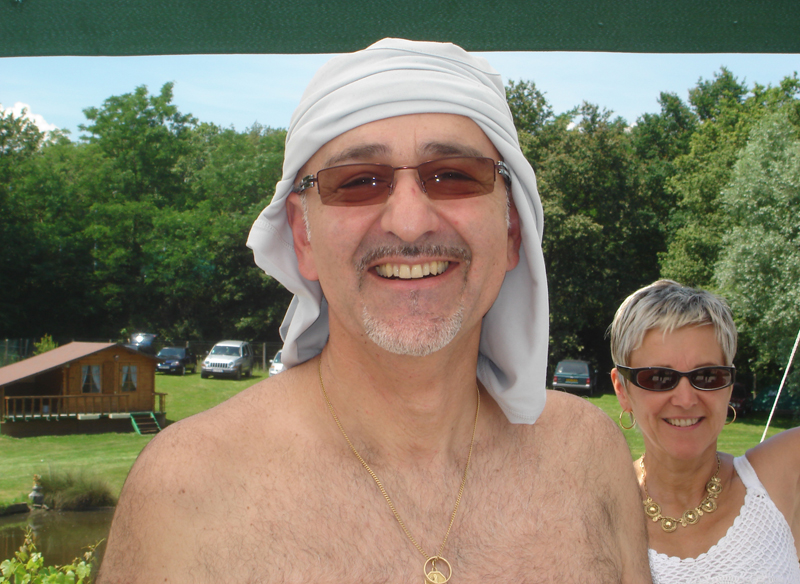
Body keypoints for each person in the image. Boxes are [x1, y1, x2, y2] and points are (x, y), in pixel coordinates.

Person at [98, 39, 651, 583]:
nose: (410, 223)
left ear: (512, 229)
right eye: (359, 182)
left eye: (454, 175)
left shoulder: (588, 456)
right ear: (303, 236)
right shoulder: (188, 489)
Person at [609, 279, 800, 583]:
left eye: (708, 376)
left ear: (729, 386)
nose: (686, 400)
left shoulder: (781, 478)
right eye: (659, 378)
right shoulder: (598, 516)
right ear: (622, 389)